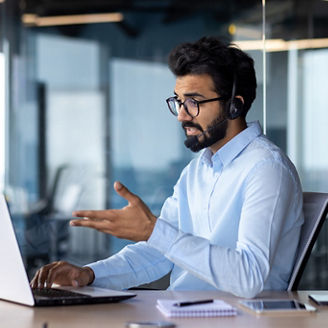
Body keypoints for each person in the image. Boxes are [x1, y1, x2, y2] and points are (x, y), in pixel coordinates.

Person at [31, 36, 304, 298]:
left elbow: (249, 278)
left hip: (238, 319)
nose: (182, 116)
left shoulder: (266, 169)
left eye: (194, 102)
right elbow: (160, 252)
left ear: (234, 106)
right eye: (179, 102)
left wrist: (154, 230)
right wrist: (88, 274)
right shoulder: (198, 171)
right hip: (186, 313)